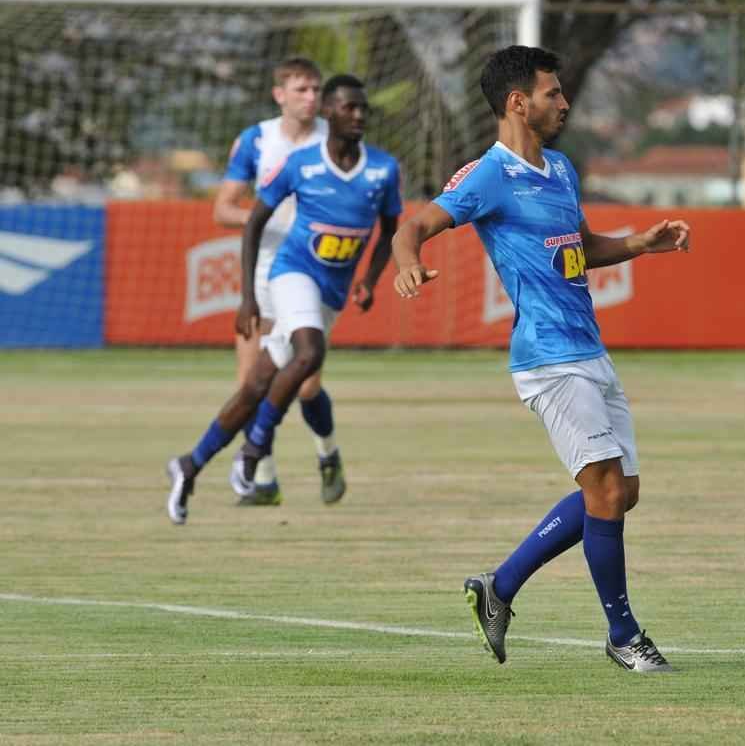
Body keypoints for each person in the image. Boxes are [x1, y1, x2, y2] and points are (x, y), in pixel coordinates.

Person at [391, 46, 690, 673]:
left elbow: (577, 249)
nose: (564, 102)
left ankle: (499, 587)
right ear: (517, 103)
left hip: (589, 348)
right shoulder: (487, 176)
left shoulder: (560, 168)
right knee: (603, 487)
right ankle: (623, 634)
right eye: (553, 93)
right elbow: (412, 227)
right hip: (546, 358)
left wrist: (640, 244)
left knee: (621, 492)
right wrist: (409, 262)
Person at [166, 74, 402, 525]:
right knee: (309, 353)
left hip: (331, 291)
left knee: (258, 384)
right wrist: (247, 299)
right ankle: (255, 449)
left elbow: (391, 230)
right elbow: (253, 221)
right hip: (291, 273)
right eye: (348, 107)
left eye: (362, 108)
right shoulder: (298, 162)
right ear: (330, 113)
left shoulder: (383, 169)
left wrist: (371, 278)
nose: (358, 115)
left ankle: (189, 465)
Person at [213, 56, 339, 504]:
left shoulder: (335, 139)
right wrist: (270, 218)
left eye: (315, 89)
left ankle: (327, 453)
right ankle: (262, 479)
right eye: (301, 89)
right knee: (252, 381)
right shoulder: (256, 141)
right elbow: (223, 207)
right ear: (279, 94)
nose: (310, 98)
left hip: (313, 272)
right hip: (265, 271)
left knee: (306, 385)